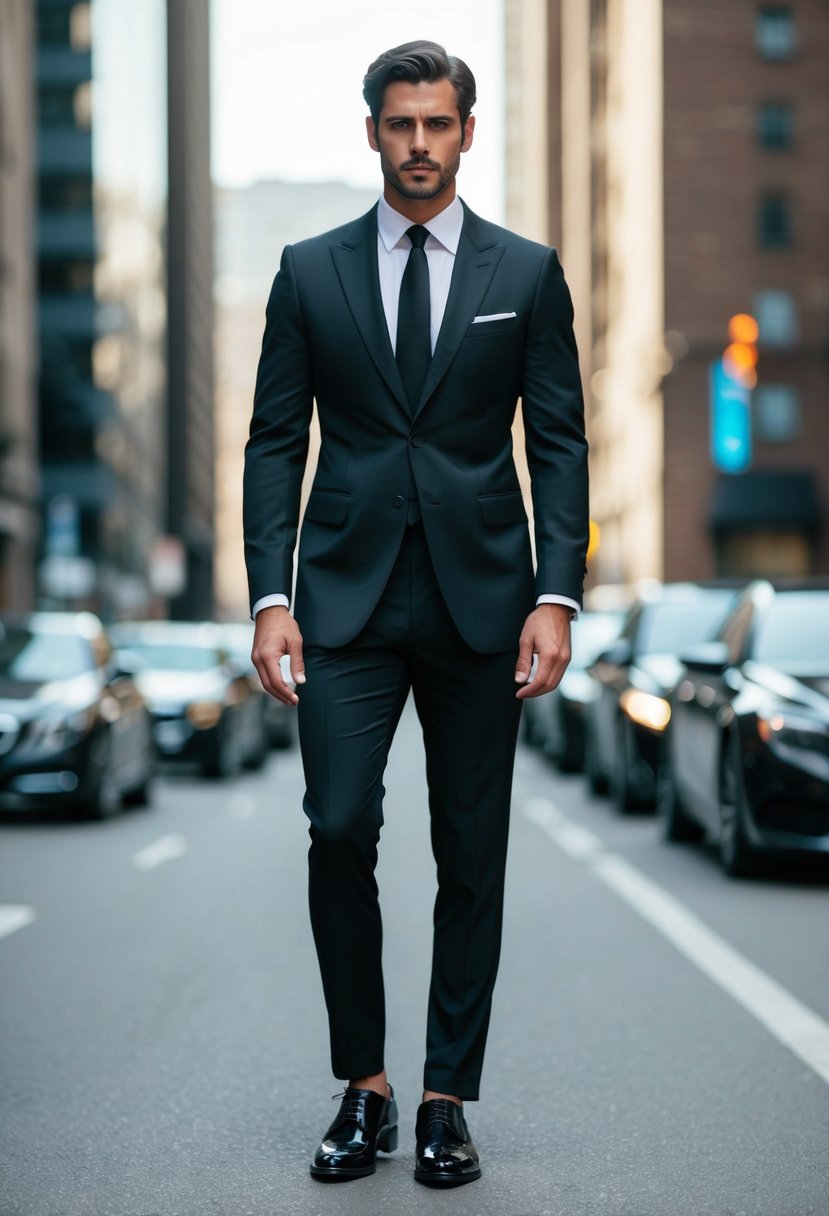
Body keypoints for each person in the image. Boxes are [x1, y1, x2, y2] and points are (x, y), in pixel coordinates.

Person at [243, 40, 588, 1188]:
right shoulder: (308, 270)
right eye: (401, 125)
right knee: (337, 824)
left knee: (469, 850)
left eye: (439, 125)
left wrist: (554, 590)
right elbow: (276, 440)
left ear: (467, 132)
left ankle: (444, 1095)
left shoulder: (525, 274)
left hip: (481, 597)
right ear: (373, 131)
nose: (420, 145)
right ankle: (364, 1084)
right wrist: (272, 595)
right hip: (341, 598)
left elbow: (556, 439)